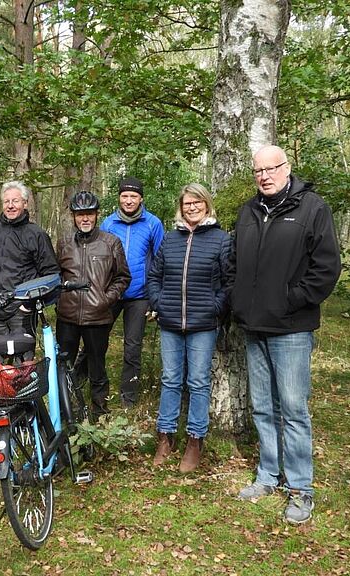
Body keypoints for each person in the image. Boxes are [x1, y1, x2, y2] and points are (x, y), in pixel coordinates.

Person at [230, 145, 341, 525]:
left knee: (293, 410)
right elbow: (233, 261)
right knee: (263, 407)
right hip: (254, 325)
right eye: (258, 170)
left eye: (271, 168)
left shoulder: (312, 208)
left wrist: (290, 300)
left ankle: (300, 488)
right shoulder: (248, 211)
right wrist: (237, 298)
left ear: (286, 168)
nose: (264, 175)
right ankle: (268, 476)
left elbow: (326, 268)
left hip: (291, 327)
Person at [147, 184, 231, 471]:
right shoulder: (170, 240)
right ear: (180, 208)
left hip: (203, 324)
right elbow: (155, 275)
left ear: (206, 204)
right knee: (170, 379)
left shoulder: (220, 239)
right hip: (169, 321)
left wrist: (215, 308)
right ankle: (165, 435)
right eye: (187, 204)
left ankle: (195, 439)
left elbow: (229, 281)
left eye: (197, 202)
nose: (192, 207)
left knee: (197, 382)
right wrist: (157, 302)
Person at [56, 191, 131, 418]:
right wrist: (61, 297)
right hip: (67, 317)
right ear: (73, 217)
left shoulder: (110, 242)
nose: (85, 219)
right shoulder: (64, 243)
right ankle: (66, 412)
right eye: (80, 215)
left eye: (89, 214)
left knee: (97, 367)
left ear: (97, 215)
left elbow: (123, 277)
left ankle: (100, 413)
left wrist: (105, 299)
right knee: (65, 367)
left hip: (97, 317)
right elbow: (54, 275)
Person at [0, 180, 59, 358]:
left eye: (15, 201)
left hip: (22, 310)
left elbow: (50, 273)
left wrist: (30, 303)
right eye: (6, 201)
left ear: (25, 203)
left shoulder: (37, 234)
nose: (10, 206)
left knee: (23, 365)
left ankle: (23, 386)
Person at [99, 176, 165, 407]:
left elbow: (159, 260)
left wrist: (155, 299)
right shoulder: (108, 224)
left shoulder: (153, 224)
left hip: (139, 295)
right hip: (112, 293)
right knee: (96, 339)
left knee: (133, 345)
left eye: (133, 196)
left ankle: (129, 397)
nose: (128, 200)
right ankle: (83, 384)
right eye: (124, 196)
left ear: (141, 199)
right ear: (119, 198)